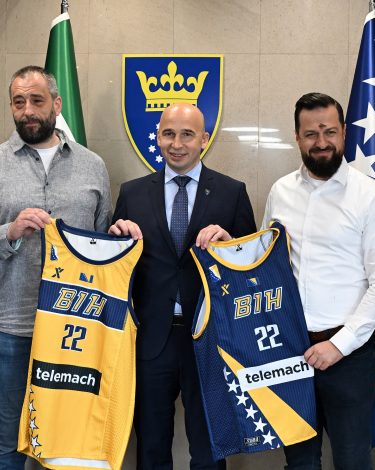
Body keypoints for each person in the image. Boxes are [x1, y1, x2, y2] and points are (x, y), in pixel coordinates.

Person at [0, 65, 112, 469]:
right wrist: (8, 232)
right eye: (18, 102)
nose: (27, 110)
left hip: (76, 328)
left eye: (37, 100)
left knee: (67, 446)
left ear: (57, 105)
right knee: (7, 442)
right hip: (11, 326)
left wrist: (121, 235)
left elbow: (103, 244)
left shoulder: (93, 165)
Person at [109, 102, 256, 469]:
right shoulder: (132, 193)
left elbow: (250, 270)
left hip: (209, 340)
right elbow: (115, 269)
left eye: (187, 135)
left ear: (204, 139)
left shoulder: (231, 192)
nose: (176, 144)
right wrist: (115, 240)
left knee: (209, 451)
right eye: (168, 134)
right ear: (157, 137)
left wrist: (230, 243)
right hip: (151, 339)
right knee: (151, 447)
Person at [260, 92, 375, 470]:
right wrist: (225, 246)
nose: (321, 142)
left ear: (344, 133)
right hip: (290, 351)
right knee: (299, 462)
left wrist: (338, 345)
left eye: (329, 132)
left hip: (348, 357)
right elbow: (266, 263)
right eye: (311, 134)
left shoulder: (371, 197)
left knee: (352, 461)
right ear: (297, 136)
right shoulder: (280, 191)